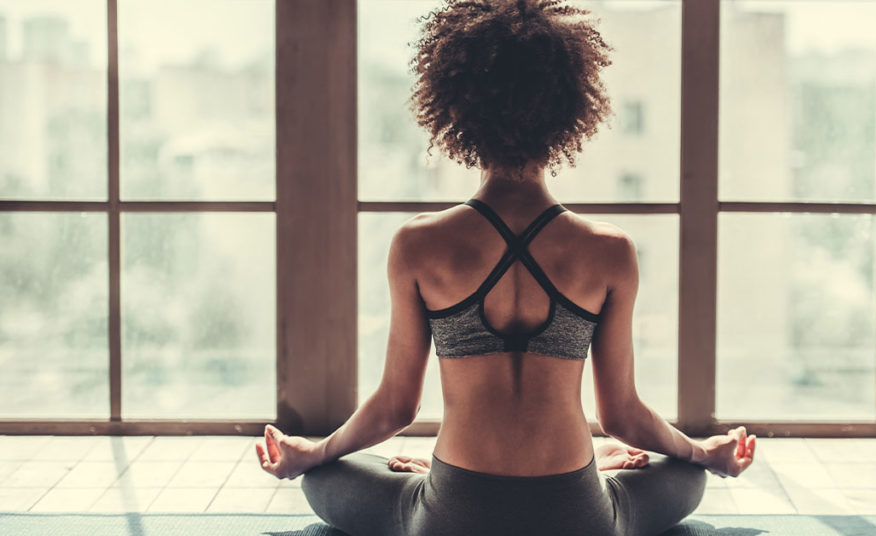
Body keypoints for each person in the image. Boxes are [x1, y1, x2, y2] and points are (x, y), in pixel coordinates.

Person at [255, 1, 755, 535]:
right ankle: (604, 472)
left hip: (452, 515)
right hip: (578, 516)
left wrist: (313, 453)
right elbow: (622, 416)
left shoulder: (418, 243)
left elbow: (394, 409)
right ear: (567, 113)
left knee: (324, 476)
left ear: (457, 112)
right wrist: (703, 452)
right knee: (684, 471)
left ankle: (431, 480)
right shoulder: (610, 250)